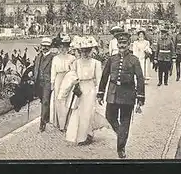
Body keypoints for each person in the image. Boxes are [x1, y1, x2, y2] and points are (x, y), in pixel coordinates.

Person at [97, 31, 145, 159]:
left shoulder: (134, 60)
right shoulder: (112, 59)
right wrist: (100, 93)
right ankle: (121, 134)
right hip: (112, 93)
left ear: (129, 44)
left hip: (128, 94)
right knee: (109, 116)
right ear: (117, 44)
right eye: (120, 43)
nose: (122, 45)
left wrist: (140, 97)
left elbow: (140, 78)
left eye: (124, 43)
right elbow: (104, 76)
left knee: (125, 120)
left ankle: (121, 147)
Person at [59, 36, 105, 145]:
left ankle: (87, 134)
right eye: (83, 51)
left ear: (91, 51)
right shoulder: (76, 63)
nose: (85, 53)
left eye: (87, 51)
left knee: (88, 112)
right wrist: (75, 83)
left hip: (90, 89)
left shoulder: (96, 63)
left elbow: (99, 79)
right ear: (80, 51)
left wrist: (99, 93)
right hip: (80, 88)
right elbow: (72, 75)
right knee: (78, 112)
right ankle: (78, 136)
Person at [50, 33, 76, 131]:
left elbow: (74, 70)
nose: (63, 49)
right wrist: (52, 83)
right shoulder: (55, 58)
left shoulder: (72, 58)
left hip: (68, 78)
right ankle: (61, 124)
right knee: (59, 101)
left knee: (68, 100)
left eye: (65, 47)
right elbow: (53, 71)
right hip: (58, 79)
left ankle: (68, 122)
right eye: (61, 47)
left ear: (68, 47)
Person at [33, 37, 56, 132]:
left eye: (47, 46)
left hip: (47, 82)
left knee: (46, 102)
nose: (45, 48)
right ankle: (47, 117)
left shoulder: (53, 57)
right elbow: (35, 68)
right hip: (39, 82)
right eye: (43, 46)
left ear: (50, 47)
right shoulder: (38, 57)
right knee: (43, 101)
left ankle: (42, 122)